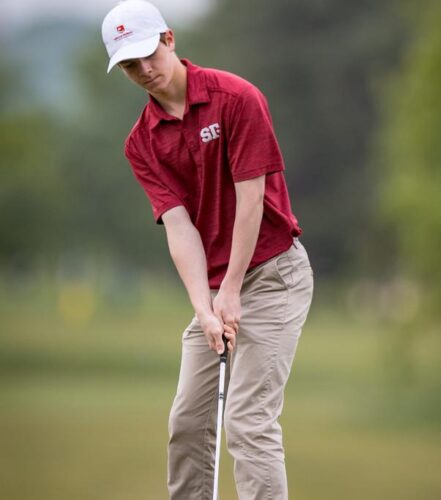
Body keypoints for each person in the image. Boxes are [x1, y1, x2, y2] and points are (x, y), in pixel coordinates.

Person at [101, 1, 314, 498]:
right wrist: (205, 306)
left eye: (148, 54)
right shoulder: (141, 143)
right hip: (217, 289)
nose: (144, 70)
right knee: (187, 421)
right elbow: (180, 228)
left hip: (273, 275)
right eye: (130, 65)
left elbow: (251, 198)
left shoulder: (236, 97)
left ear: (170, 40)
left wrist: (232, 290)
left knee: (246, 420)